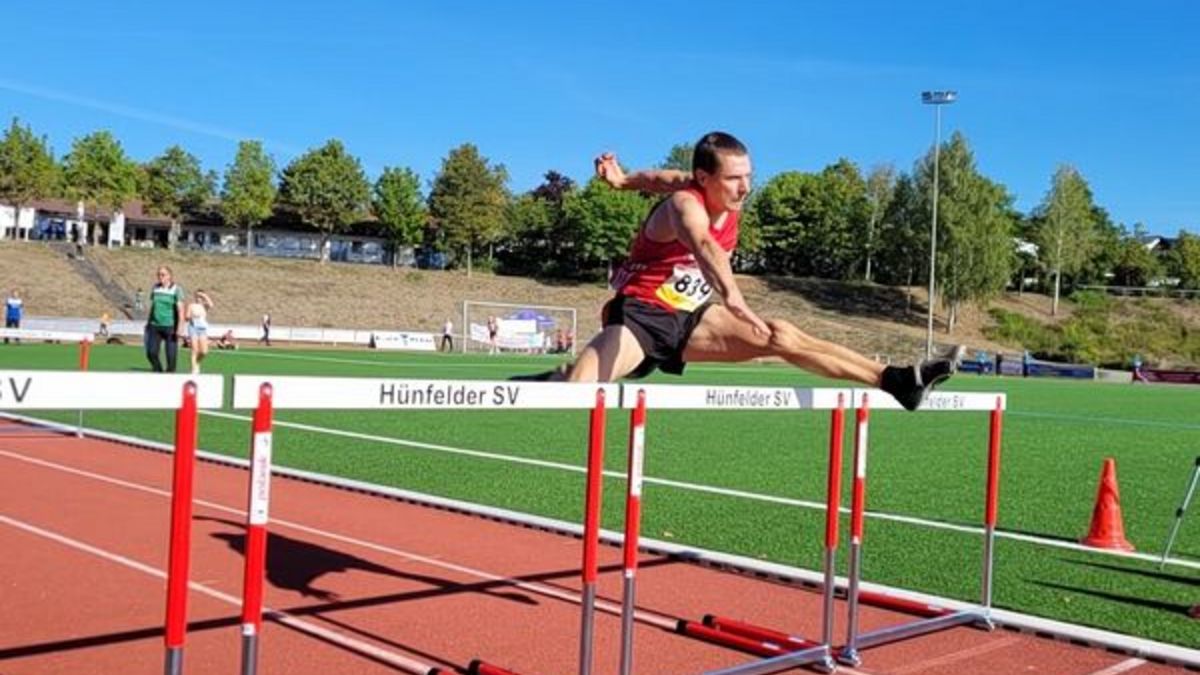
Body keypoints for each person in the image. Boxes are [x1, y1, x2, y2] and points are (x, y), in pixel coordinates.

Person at [512, 132, 961, 411]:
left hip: (690, 318)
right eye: (733, 179)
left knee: (781, 335)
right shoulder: (685, 206)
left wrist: (623, 180)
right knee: (576, 390)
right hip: (641, 318)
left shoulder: (709, 189)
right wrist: (733, 297)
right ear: (703, 178)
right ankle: (549, 379)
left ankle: (898, 381)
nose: (745, 187)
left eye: (749, 176)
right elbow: (705, 246)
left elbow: (657, 177)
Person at [145, 266, 185, 373]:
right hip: (155, 326)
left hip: (170, 327)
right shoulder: (155, 288)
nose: (160, 277)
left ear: (169, 276)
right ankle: (159, 372)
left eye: (163, 274)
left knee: (171, 358)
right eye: (158, 274)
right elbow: (153, 306)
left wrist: (180, 327)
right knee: (151, 353)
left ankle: (170, 375)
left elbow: (181, 310)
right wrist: (148, 322)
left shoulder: (176, 289)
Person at [185, 289, 214, 374]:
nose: (199, 298)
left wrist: (203, 295)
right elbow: (187, 317)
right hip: (193, 327)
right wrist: (192, 317)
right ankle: (193, 369)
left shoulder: (205, 306)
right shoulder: (191, 305)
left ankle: (197, 362)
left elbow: (211, 305)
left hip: (202, 329)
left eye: (200, 297)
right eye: (197, 296)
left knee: (204, 351)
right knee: (194, 349)